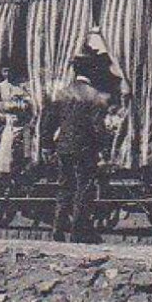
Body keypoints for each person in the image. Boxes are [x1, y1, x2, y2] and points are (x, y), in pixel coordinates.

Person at [44, 53, 112, 243]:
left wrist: (47, 144)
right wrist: (104, 148)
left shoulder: (62, 93)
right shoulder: (95, 96)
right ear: (91, 71)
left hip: (64, 147)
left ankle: (58, 228)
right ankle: (78, 231)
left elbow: (49, 121)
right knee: (84, 187)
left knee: (65, 185)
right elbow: (98, 126)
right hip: (85, 148)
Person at [0, 63, 33, 194]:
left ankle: (19, 188)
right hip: (7, 124)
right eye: (4, 71)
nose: (7, 74)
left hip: (22, 125)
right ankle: (1, 185)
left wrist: (20, 107)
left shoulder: (23, 85)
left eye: (9, 71)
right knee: (1, 154)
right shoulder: (1, 86)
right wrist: (1, 111)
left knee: (21, 155)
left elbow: (30, 103)